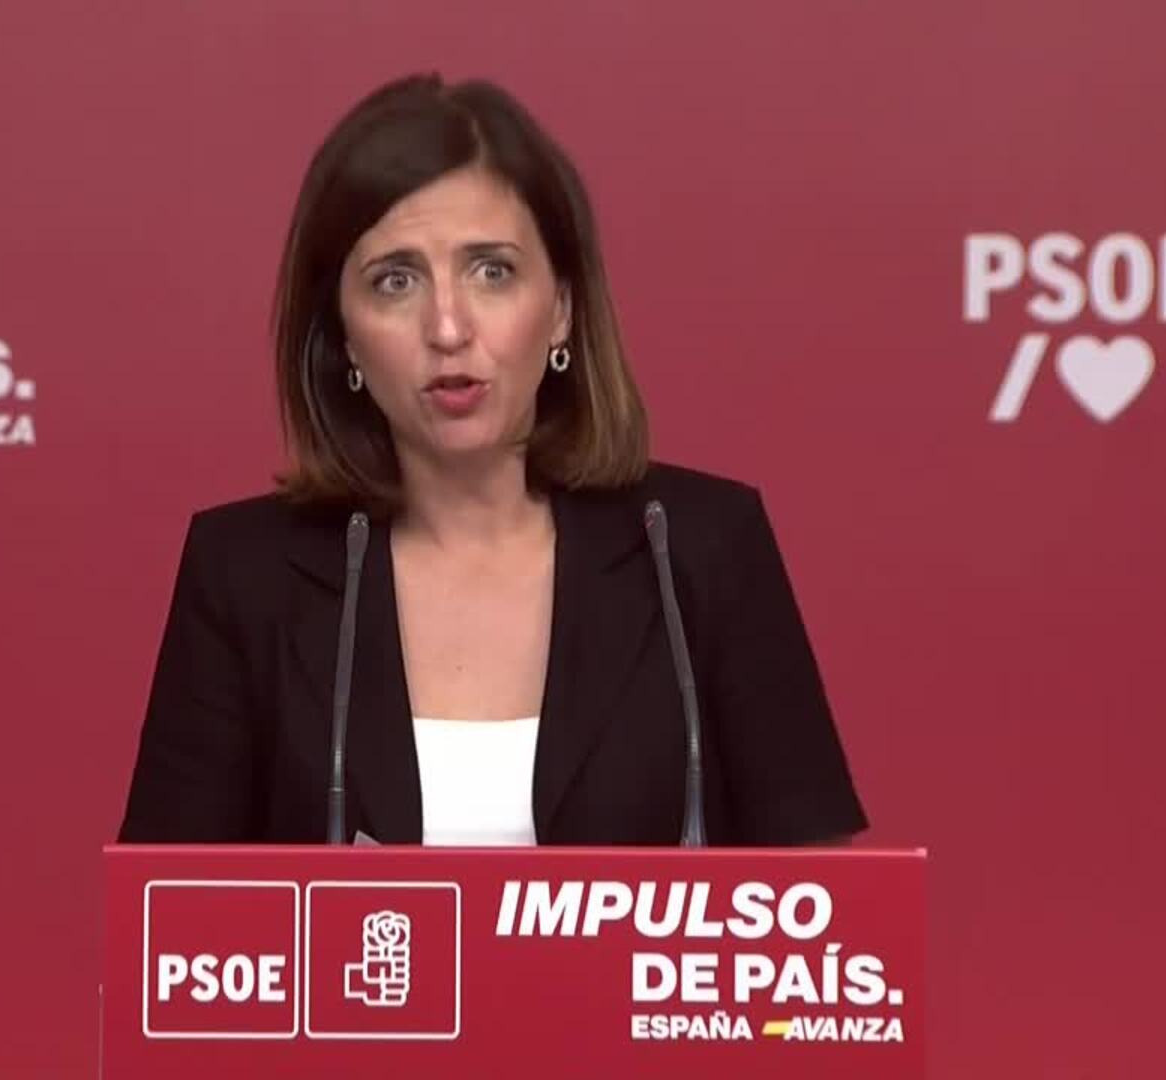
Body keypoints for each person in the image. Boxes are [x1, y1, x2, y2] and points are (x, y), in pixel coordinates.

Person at [117, 73, 866, 847]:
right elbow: (166, 913)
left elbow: (821, 908)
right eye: (395, 281)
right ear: (343, 336)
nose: (448, 327)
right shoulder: (244, 577)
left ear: (562, 308)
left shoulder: (701, 551)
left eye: (492, 272)